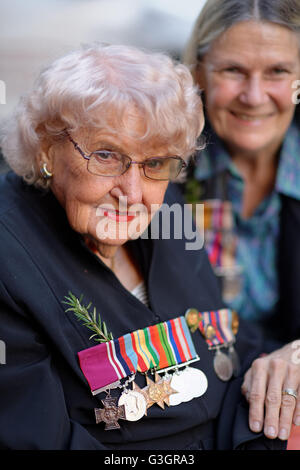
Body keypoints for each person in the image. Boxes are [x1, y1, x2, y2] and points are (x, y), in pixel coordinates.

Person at [0, 42, 286, 451]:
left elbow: (223, 339)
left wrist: (284, 358)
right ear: (48, 150)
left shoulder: (164, 205)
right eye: (105, 155)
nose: (132, 192)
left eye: (155, 162)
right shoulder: (8, 255)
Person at [182, 0, 300, 444]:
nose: (254, 96)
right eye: (233, 70)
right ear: (198, 73)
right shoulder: (159, 171)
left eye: (277, 72)